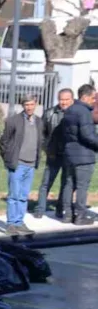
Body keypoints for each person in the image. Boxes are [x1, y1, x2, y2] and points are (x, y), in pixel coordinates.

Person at [0, 95, 43, 235]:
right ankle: (11, 223)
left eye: (31, 104)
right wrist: (9, 158)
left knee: (23, 196)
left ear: (36, 104)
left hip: (31, 164)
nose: (29, 107)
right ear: (23, 105)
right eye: (26, 105)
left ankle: (19, 222)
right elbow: (3, 141)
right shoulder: (13, 121)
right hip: (18, 164)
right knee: (14, 195)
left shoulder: (39, 122)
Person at [59, 83, 98, 225]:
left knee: (69, 184)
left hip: (69, 154)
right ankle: (80, 216)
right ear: (85, 97)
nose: (94, 100)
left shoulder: (69, 110)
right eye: (93, 97)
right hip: (84, 155)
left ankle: (67, 215)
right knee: (82, 186)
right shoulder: (84, 112)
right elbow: (87, 135)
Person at [35, 88, 75, 219]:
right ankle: (40, 209)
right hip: (53, 154)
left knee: (66, 183)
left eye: (66, 100)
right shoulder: (49, 113)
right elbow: (41, 134)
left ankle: (60, 208)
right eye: (61, 99)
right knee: (46, 182)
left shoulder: (76, 113)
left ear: (72, 100)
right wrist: (47, 149)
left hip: (69, 155)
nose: (63, 102)